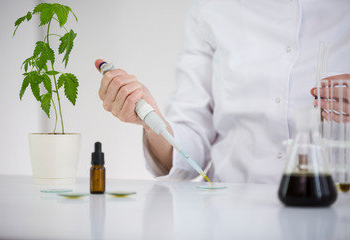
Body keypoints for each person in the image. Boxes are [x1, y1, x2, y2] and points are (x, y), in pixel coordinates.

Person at [96, 0, 350, 183]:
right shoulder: (213, 8)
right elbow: (189, 147)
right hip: (231, 210)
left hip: (336, 208)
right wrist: (153, 122)